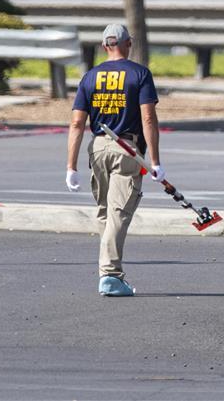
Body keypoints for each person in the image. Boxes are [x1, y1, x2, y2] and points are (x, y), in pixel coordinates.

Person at [66, 24, 164, 297]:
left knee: (105, 212)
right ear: (128, 43)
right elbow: (148, 118)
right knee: (118, 212)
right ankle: (109, 274)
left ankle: (110, 270)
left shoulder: (90, 76)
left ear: (104, 46)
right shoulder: (139, 74)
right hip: (126, 149)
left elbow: (76, 123)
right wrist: (155, 160)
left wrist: (71, 167)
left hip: (98, 148)